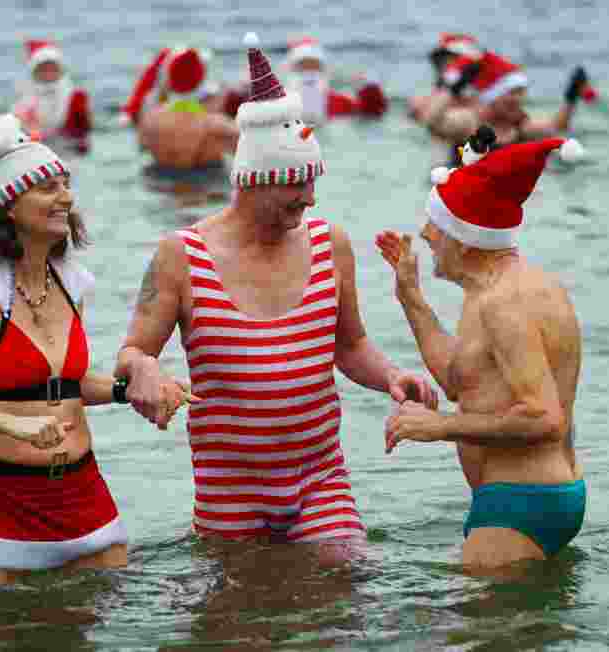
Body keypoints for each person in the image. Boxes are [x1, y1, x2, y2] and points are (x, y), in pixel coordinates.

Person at [112, 33, 437, 547]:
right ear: (255, 179)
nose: (310, 197)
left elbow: (349, 346)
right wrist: (145, 368)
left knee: (343, 589)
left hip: (320, 477)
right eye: (297, 182)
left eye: (313, 180)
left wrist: (394, 376)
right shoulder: (180, 255)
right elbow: (130, 354)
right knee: (242, 619)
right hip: (229, 491)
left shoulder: (330, 243)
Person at [0, 96, 190, 590]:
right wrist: (8, 424)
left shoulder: (71, 283)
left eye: (67, 185)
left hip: (82, 497)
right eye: (48, 187)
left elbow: (62, 386)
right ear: (10, 205)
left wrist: (129, 392)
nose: (66, 198)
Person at [375, 129, 585, 569]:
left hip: (521, 499)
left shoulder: (503, 303)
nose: (426, 233)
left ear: (467, 238)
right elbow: (459, 381)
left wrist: (440, 428)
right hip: (536, 495)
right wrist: (411, 299)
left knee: (469, 633)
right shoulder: (495, 290)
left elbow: (545, 418)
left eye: (438, 225)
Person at [419, 49, 595, 161]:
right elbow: (431, 122)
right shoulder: (469, 122)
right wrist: (452, 90)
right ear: (491, 96)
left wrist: (571, 97)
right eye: (512, 93)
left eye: (521, 93)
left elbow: (557, 127)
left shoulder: (519, 127)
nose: (518, 99)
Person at [118, 46, 241, 171]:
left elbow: (142, 145)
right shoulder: (217, 127)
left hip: (160, 185)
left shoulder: (148, 121)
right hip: (205, 186)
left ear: (169, 82)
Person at [12, 39, 92, 154]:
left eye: (52, 68)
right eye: (43, 69)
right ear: (34, 72)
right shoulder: (25, 98)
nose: (48, 73)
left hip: (69, 146)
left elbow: (86, 129)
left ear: (60, 70)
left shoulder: (75, 97)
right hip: (38, 146)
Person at [284, 36, 387, 125]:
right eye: (303, 67)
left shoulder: (340, 103)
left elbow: (373, 113)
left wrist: (369, 88)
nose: (309, 73)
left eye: (314, 67)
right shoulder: (278, 104)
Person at [408, 32, 483, 123]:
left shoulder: (488, 106)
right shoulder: (420, 103)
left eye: (452, 60)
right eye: (440, 61)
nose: (445, 66)